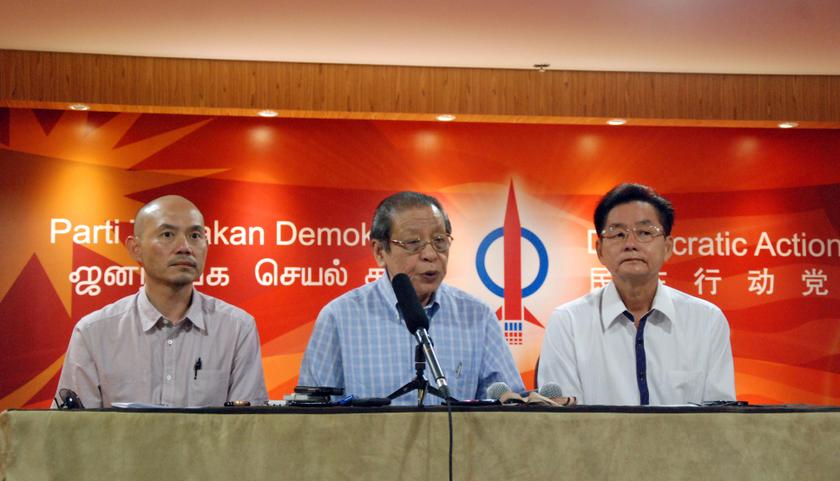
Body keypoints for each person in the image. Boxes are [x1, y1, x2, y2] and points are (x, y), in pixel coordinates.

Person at [299, 191, 524, 404]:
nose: (430, 255)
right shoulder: (340, 317)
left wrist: (514, 400)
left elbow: (509, 405)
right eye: (413, 244)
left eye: (439, 241)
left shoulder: (477, 316)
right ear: (379, 252)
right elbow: (313, 415)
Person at [53, 195, 268, 408]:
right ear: (135, 249)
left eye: (195, 235)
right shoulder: (94, 333)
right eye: (167, 234)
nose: (185, 247)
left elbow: (248, 431)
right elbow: (72, 433)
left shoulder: (237, 329)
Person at [539, 183, 735, 405]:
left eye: (644, 233)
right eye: (618, 233)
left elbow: (721, 420)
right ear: (600, 250)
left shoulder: (706, 321)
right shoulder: (568, 323)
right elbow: (561, 425)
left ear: (668, 247)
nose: (631, 244)